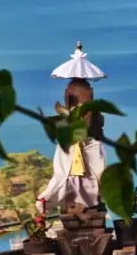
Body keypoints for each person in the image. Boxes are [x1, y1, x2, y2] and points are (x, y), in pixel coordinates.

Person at [37, 77, 108, 214]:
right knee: (66, 176)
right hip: (74, 144)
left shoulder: (94, 116)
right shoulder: (71, 116)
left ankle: (85, 204)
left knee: (91, 176)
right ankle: (49, 201)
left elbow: (95, 128)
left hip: (89, 145)